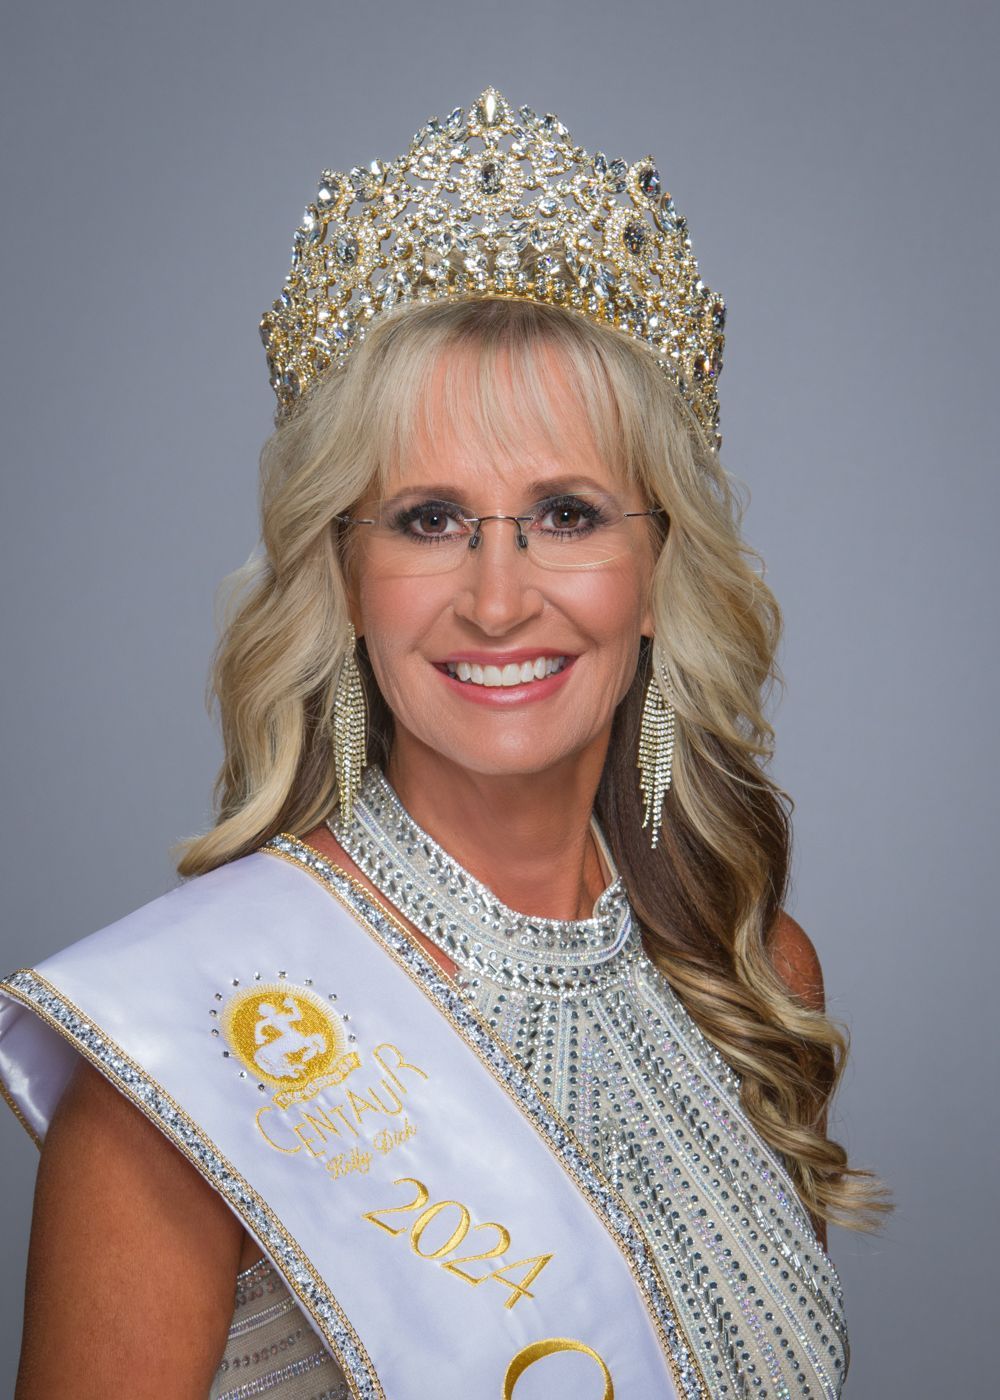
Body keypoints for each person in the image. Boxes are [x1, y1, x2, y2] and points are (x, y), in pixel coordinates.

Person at [0, 87, 888, 1399]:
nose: (496, 597)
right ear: (345, 577)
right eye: (427, 519)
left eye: (568, 513)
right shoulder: (189, 1063)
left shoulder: (749, 984)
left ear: (655, 575)